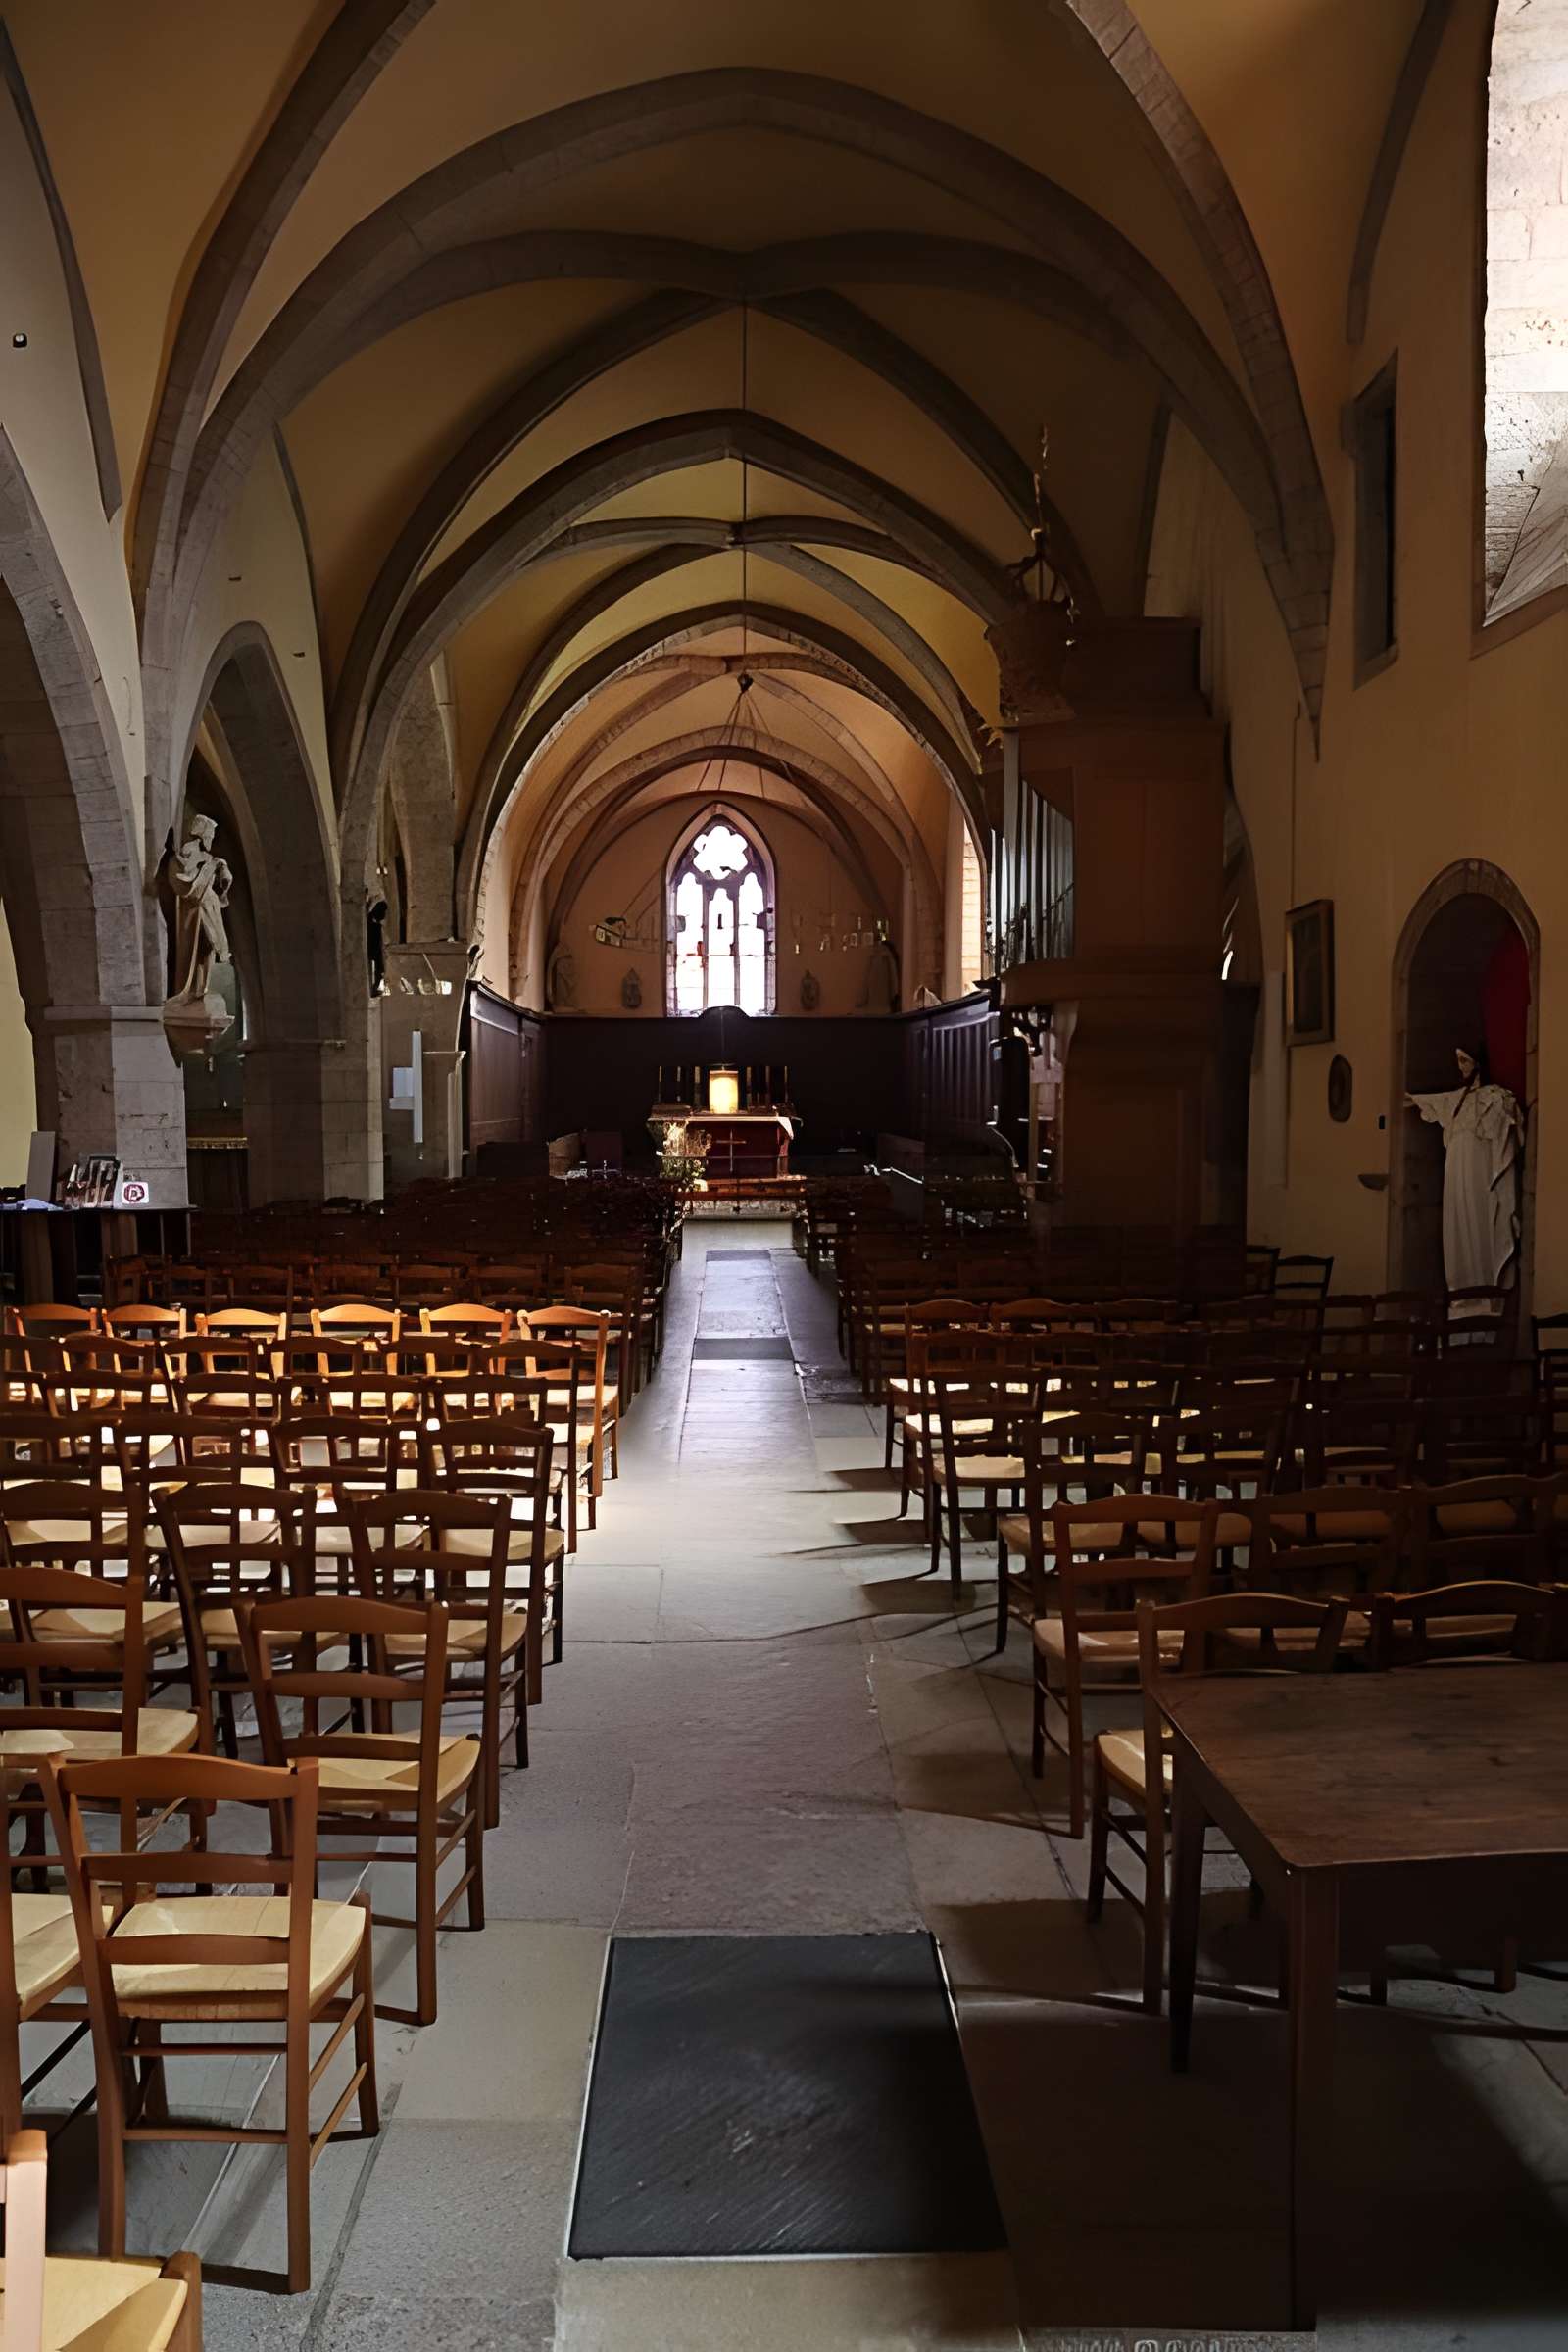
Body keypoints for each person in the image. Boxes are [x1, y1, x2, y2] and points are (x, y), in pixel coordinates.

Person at [1404, 1042, 1524, 1294]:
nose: (1461, 1067)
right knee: (1459, 1227)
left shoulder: (1494, 1098)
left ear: (1478, 1061)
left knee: (1481, 1221)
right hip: (1457, 1173)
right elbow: (1432, 1101)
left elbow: (1507, 1131)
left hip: (1479, 1172)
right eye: (1458, 1061)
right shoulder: (1457, 1100)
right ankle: (1463, 1297)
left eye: (1464, 1060)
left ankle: (1486, 1293)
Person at [166, 814, 232, 1003]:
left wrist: (222, 872)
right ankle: (191, 988)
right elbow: (187, 877)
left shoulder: (209, 856)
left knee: (209, 947)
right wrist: (210, 866)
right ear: (202, 834)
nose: (211, 839)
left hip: (210, 905)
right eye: (209, 835)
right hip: (197, 907)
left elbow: (222, 883)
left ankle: (203, 988)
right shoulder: (190, 850)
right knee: (202, 942)